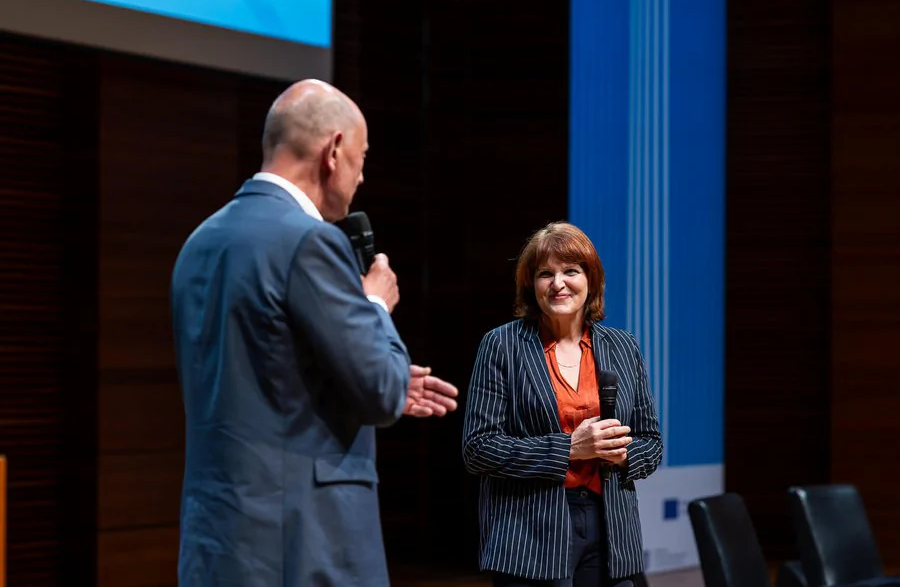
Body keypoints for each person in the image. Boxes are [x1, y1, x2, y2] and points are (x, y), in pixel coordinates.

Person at [171, 78, 458, 586]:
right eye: (362, 158)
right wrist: (375, 305)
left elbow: (260, 375)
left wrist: (360, 372)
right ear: (334, 150)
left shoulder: (199, 242)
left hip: (216, 540)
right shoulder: (311, 242)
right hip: (302, 544)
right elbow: (379, 391)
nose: (361, 176)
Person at [462, 221, 662, 587]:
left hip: (610, 529)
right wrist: (570, 448)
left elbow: (651, 442)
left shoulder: (623, 346)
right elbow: (479, 448)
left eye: (571, 271)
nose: (558, 283)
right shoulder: (501, 345)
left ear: (590, 279)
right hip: (529, 532)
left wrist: (621, 454)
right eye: (545, 274)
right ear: (531, 284)